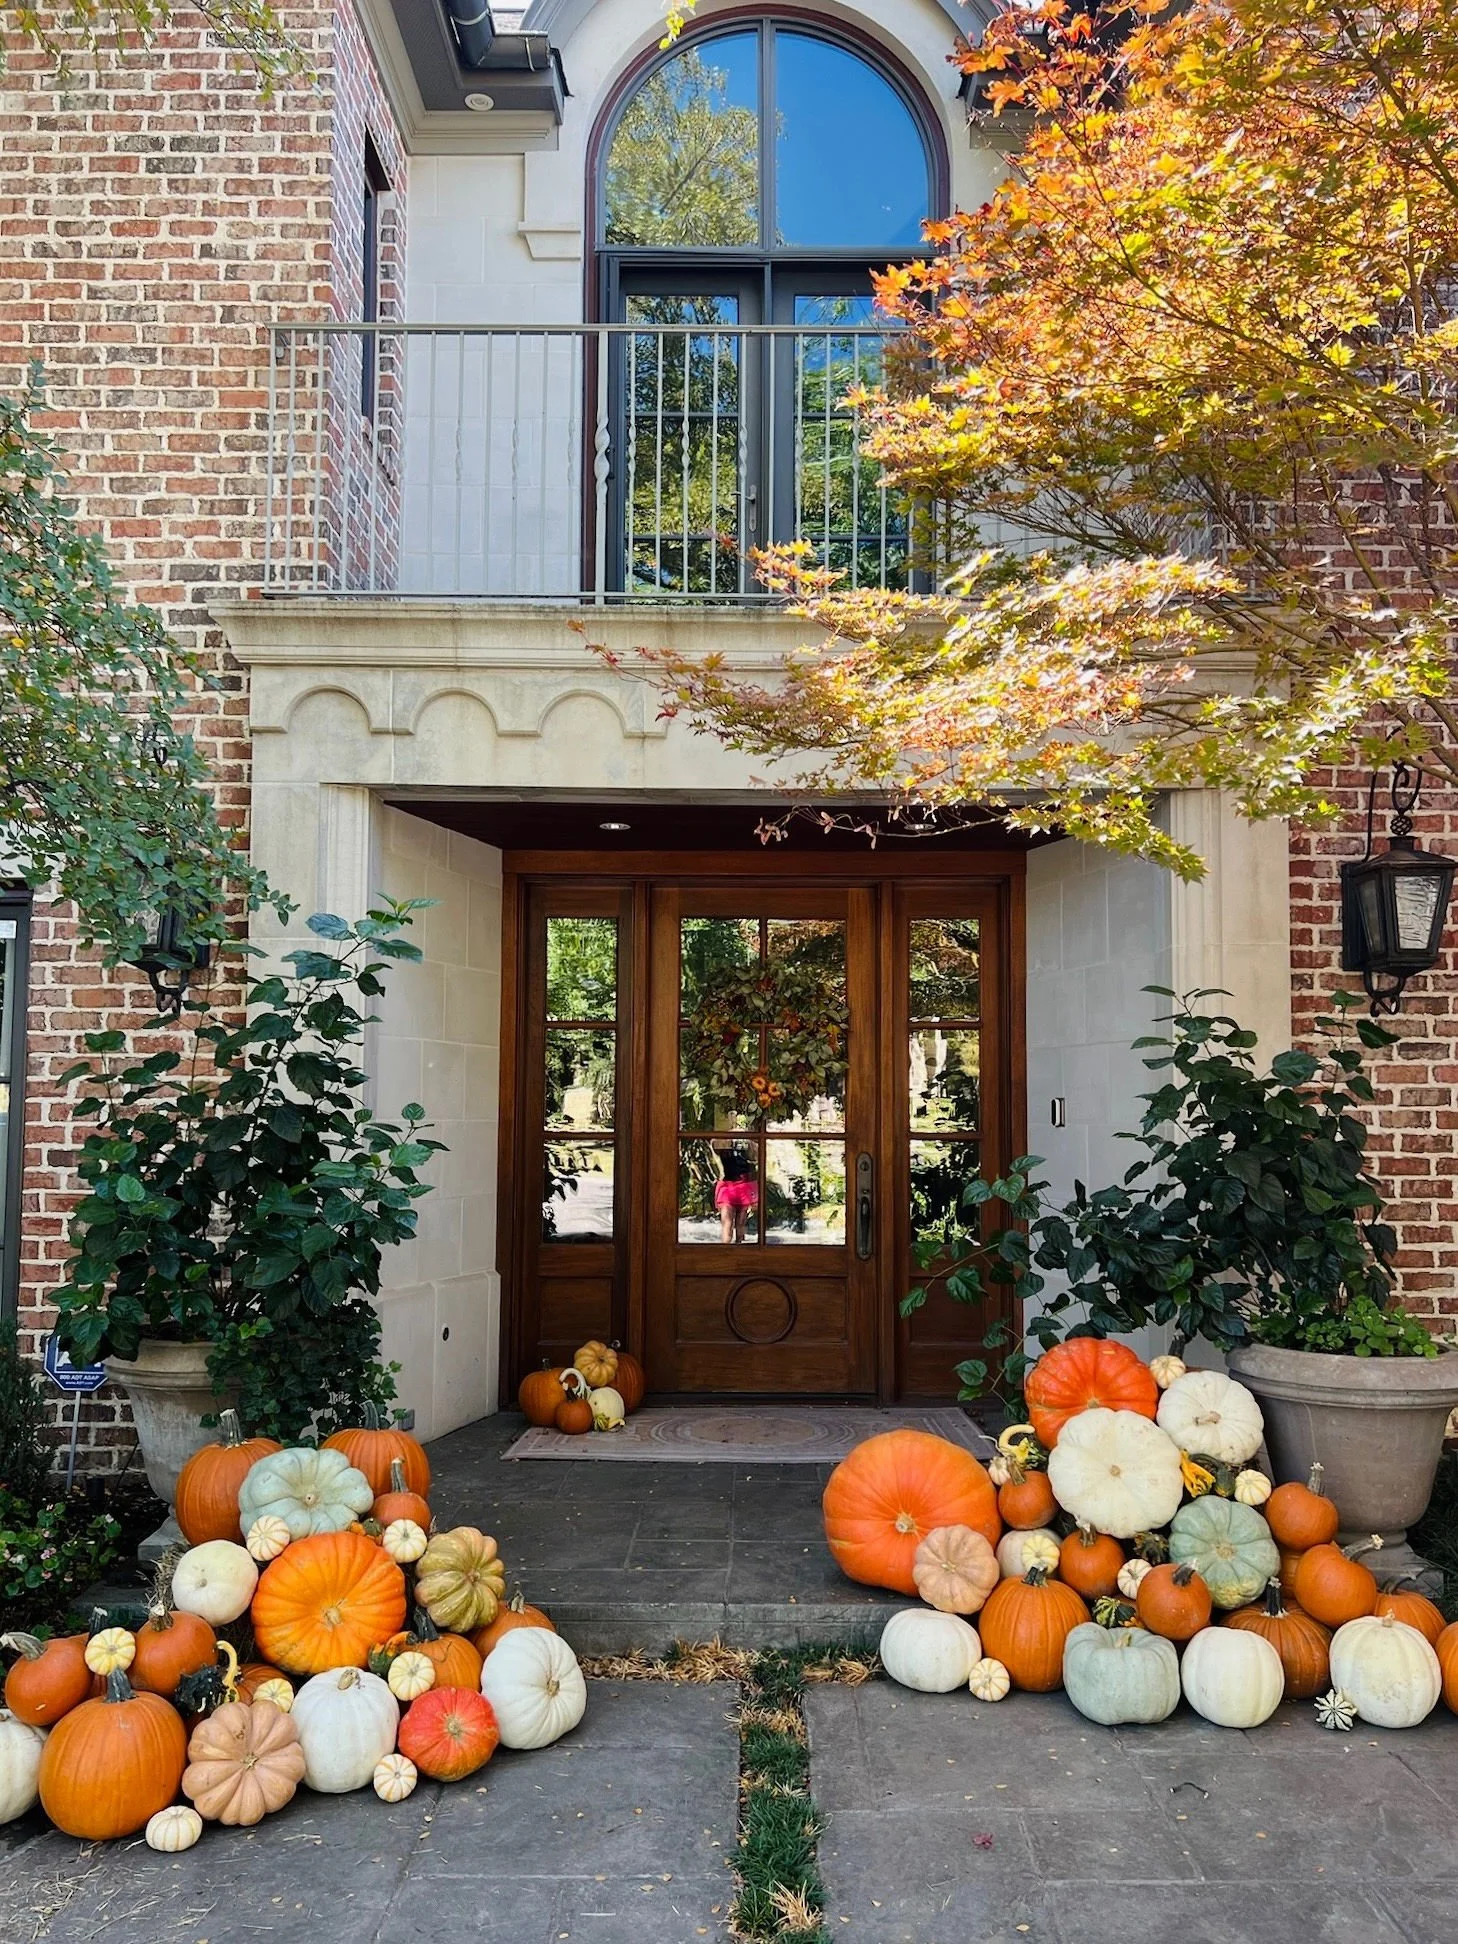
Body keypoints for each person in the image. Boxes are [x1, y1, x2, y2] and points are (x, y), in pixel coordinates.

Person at [713, 1140, 758, 1244]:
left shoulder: (748, 1147)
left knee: (740, 1226)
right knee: (727, 1224)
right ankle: (725, 1251)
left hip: (745, 1188)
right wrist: (730, 1135)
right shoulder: (724, 1146)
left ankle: (738, 1250)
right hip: (728, 1189)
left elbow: (756, 1155)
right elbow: (715, 1144)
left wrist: (747, 1139)